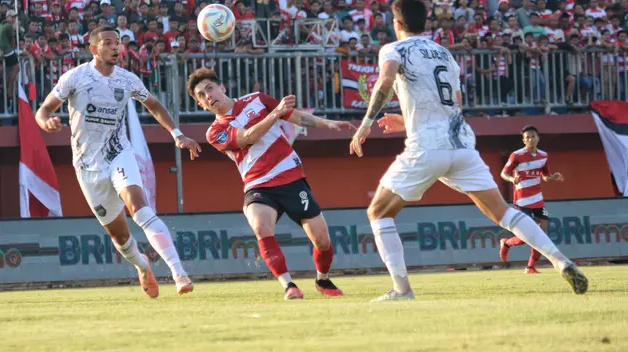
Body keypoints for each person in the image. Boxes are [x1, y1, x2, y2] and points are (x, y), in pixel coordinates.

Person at [348, 0, 588, 300]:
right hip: (461, 144)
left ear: (396, 25)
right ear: (426, 23)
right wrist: (408, 122)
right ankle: (560, 260)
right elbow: (454, 105)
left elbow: (385, 81)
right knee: (504, 213)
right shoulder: (445, 54)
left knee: (378, 212)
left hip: (427, 147)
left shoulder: (393, 49)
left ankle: (402, 289)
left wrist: (365, 123)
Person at [35, 26, 202, 298]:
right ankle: (142, 265)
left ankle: (178, 272)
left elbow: (155, 105)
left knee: (139, 209)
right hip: (88, 165)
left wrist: (178, 134)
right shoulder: (75, 77)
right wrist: (46, 122)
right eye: (108, 43)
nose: (115, 48)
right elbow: (43, 109)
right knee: (121, 238)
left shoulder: (127, 80)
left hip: (118, 152)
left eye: (117, 43)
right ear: (93, 49)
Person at [187, 68, 355, 300]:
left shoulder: (257, 99)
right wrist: (275, 113)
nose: (208, 96)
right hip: (258, 185)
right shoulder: (215, 132)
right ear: (202, 105)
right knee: (260, 226)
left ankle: (322, 279)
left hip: (291, 178)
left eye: (209, 88)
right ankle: (289, 286)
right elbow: (247, 137)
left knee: (322, 240)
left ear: (222, 88)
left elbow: (295, 116)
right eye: (201, 96)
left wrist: (329, 123)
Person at [499, 125, 564, 274]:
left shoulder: (543, 156)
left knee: (542, 234)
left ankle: (530, 267)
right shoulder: (516, 155)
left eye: (533, 136)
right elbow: (503, 173)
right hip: (522, 201)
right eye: (527, 137)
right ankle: (507, 243)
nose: (530, 139)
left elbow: (545, 176)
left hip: (539, 201)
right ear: (523, 140)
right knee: (527, 236)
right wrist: (512, 179)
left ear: (538, 138)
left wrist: (552, 177)